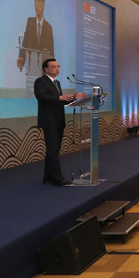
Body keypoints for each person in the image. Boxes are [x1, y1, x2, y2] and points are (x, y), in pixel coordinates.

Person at [35, 58, 84, 186]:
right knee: (53, 149)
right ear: (46, 69)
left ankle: (48, 175)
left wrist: (73, 98)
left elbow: (59, 101)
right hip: (49, 120)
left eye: (58, 66)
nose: (57, 69)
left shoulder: (57, 82)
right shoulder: (40, 81)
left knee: (54, 149)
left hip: (58, 120)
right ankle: (57, 178)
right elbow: (41, 97)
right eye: (53, 67)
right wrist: (60, 97)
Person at [17, 0, 54, 70]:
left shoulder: (48, 27)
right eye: (35, 0)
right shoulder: (30, 22)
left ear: (43, 3)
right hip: (31, 68)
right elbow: (25, 43)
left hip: (43, 70)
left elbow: (51, 53)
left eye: (39, 0)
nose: (36, 4)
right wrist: (21, 58)